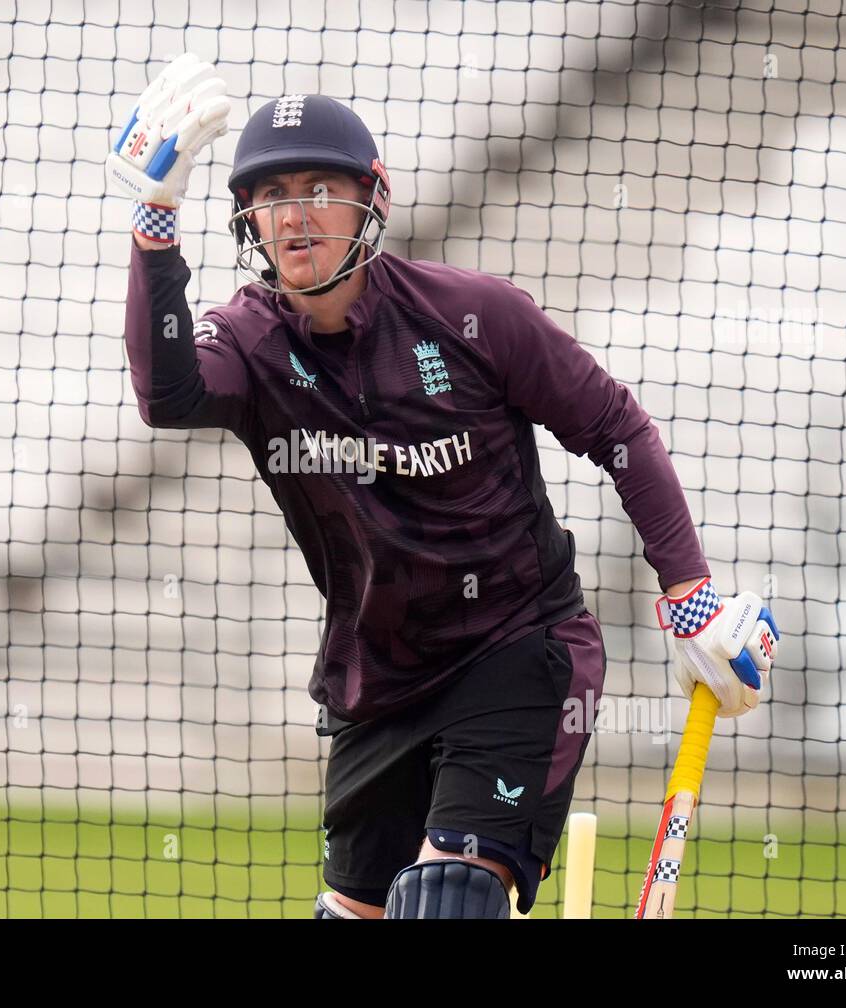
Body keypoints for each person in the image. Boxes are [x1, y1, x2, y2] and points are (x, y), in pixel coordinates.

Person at [109, 53, 780, 919]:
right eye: (272, 196)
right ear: (248, 220)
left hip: (516, 650)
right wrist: (154, 226)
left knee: (449, 896)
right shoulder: (249, 339)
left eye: (319, 187)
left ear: (373, 198)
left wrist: (687, 590)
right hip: (376, 679)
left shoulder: (472, 314)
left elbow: (617, 428)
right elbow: (168, 397)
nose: (295, 214)